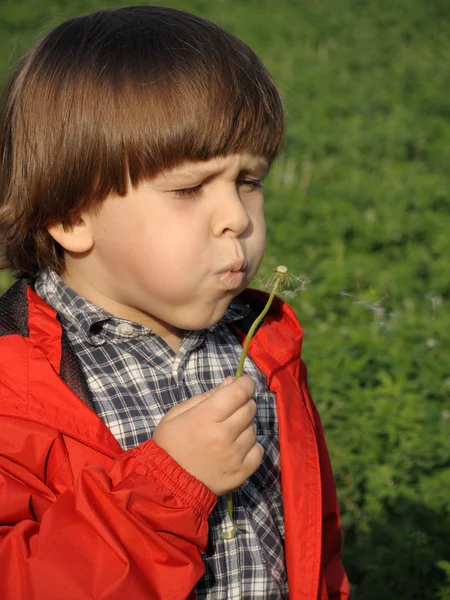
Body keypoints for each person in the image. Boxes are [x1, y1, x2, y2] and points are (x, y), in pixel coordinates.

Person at [0, 6, 350, 599]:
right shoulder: (17, 393)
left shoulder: (262, 348)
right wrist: (170, 483)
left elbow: (316, 544)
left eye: (249, 181)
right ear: (71, 216)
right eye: (189, 189)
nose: (237, 218)